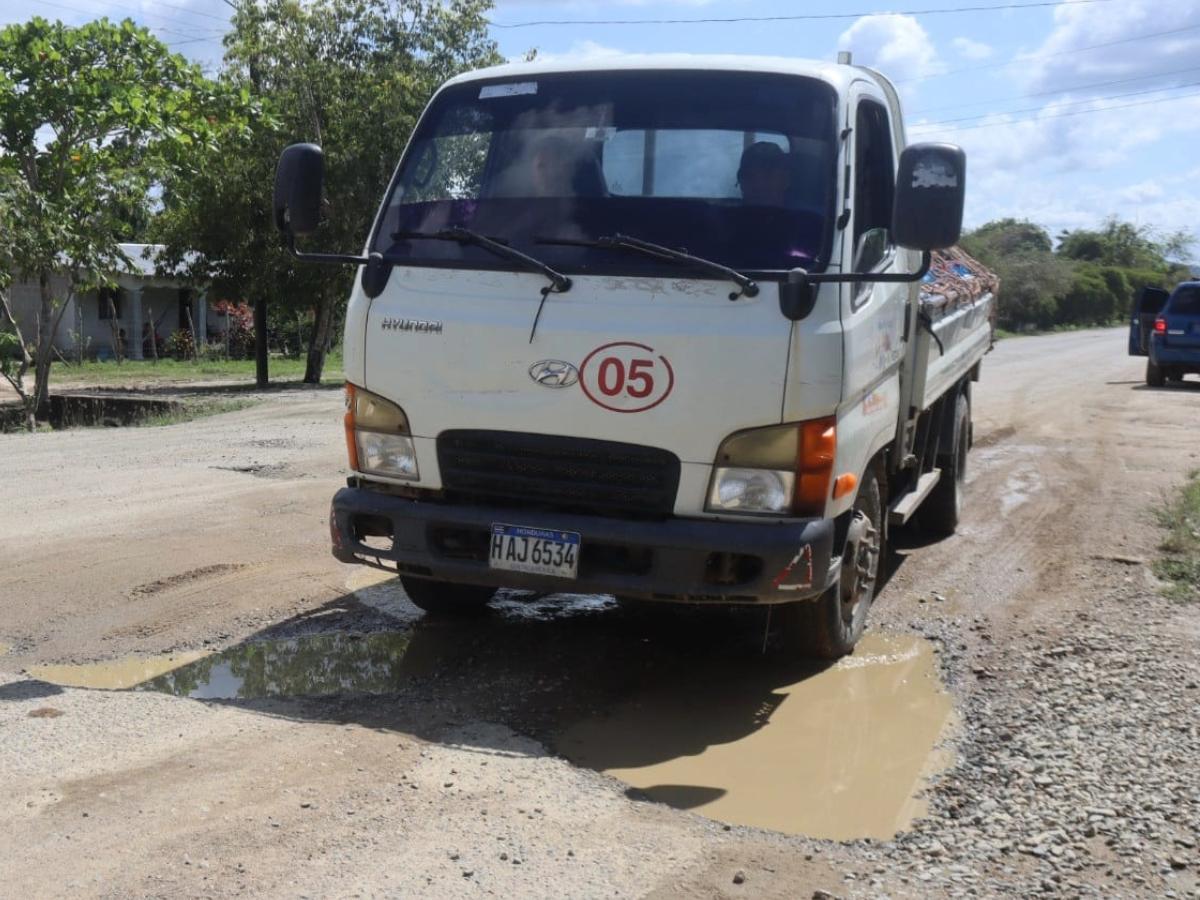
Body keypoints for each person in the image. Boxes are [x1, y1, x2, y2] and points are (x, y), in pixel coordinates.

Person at [737, 140, 791, 207]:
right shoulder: (725, 214)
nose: (759, 184)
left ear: (785, 180)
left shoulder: (802, 216)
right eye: (751, 177)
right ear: (741, 181)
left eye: (768, 175)